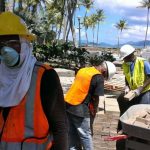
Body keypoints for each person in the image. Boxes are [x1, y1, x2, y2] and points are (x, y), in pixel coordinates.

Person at [0, 12, 68, 150]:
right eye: (1, 44)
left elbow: (60, 125)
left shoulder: (44, 75)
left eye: (13, 43)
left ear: (25, 44)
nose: (6, 50)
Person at [65, 61, 116, 150]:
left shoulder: (83, 70)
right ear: (104, 71)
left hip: (68, 104)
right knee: (85, 135)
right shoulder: (98, 77)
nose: (104, 78)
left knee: (72, 133)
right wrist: (94, 112)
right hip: (79, 108)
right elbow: (96, 98)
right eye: (105, 76)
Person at [116, 44, 150, 149]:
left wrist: (140, 89)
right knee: (124, 104)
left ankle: (142, 137)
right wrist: (127, 87)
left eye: (125, 58)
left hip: (144, 91)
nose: (125, 60)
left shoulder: (143, 62)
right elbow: (127, 77)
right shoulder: (125, 64)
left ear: (131, 55)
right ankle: (126, 130)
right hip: (132, 92)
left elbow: (149, 77)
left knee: (142, 112)